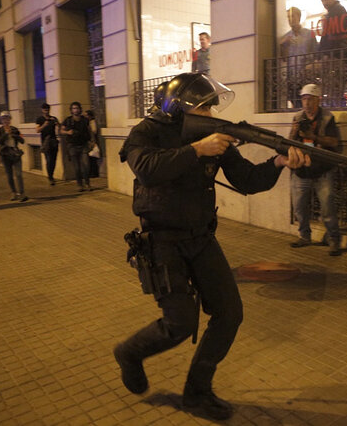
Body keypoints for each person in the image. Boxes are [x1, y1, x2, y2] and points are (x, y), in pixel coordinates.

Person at [114, 73, 309, 421]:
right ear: (179, 107)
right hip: (161, 241)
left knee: (230, 314)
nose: (210, 113)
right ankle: (130, 353)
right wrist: (195, 150)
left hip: (201, 238)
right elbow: (146, 170)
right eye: (204, 107)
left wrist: (279, 162)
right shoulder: (146, 132)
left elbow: (247, 180)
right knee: (180, 324)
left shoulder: (211, 135)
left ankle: (197, 392)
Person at [289, 83, 342, 256]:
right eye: (304, 99)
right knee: (299, 206)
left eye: (310, 99)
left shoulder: (327, 118)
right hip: (302, 169)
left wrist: (314, 137)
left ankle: (333, 240)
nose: (306, 104)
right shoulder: (298, 117)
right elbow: (288, 143)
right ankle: (305, 236)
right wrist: (294, 131)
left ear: (318, 100)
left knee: (327, 207)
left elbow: (335, 142)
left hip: (322, 169)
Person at [318, 0, 347, 107]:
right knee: (332, 88)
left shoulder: (337, 11)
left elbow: (332, 37)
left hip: (336, 58)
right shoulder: (332, 13)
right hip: (334, 57)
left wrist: (326, 54)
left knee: (334, 88)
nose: (324, 2)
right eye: (322, 0)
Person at [279, 7, 318, 108]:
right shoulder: (286, 37)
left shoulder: (309, 34)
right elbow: (284, 59)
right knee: (295, 104)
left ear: (299, 17)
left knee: (308, 104)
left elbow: (317, 54)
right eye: (288, 17)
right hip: (292, 77)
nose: (290, 19)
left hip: (306, 76)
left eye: (293, 16)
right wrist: (283, 45)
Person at [60, 101, 94, 191]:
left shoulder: (85, 120)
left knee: (86, 165)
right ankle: (80, 185)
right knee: (77, 167)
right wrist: (68, 132)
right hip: (72, 146)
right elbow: (61, 131)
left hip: (83, 145)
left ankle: (87, 183)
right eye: (74, 108)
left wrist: (92, 140)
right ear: (71, 110)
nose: (76, 110)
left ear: (80, 109)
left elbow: (89, 130)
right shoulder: (67, 120)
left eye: (77, 108)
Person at [0, 111, 28, 202]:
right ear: (1, 120)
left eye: (7, 118)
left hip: (15, 154)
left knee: (18, 174)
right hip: (5, 154)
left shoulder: (15, 129)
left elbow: (22, 140)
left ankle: (22, 193)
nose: (5, 120)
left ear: (10, 119)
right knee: (9, 175)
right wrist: (6, 134)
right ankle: (13, 192)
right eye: (3, 119)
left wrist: (14, 135)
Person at [35, 103, 60, 185]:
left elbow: (59, 128)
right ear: (42, 110)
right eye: (45, 109)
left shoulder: (53, 118)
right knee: (48, 160)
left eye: (48, 109)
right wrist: (44, 125)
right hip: (45, 142)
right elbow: (37, 130)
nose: (46, 111)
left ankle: (51, 175)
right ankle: (50, 177)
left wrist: (57, 124)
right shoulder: (40, 119)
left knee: (53, 160)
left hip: (53, 141)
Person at [85, 110, 100, 178]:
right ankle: (91, 172)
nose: (86, 116)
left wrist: (93, 142)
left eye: (87, 115)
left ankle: (94, 173)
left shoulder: (92, 122)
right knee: (90, 158)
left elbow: (94, 132)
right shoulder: (87, 122)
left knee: (93, 158)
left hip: (92, 142)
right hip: (89, 142)